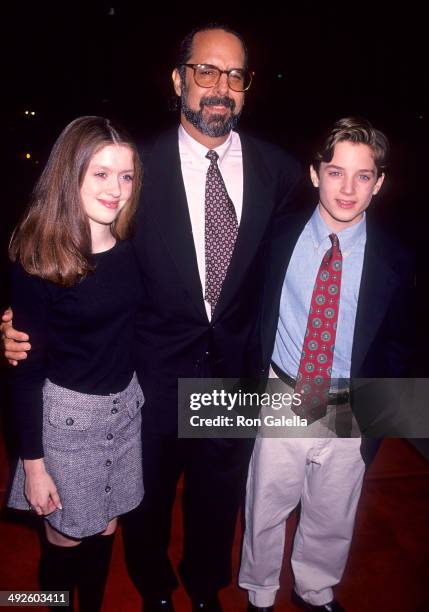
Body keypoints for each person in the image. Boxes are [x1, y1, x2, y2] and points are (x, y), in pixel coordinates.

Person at [2, 24, 302, 612]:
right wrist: (20, 321)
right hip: (145, 380)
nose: (220, 86)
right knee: (145, 505)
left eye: (234, 75)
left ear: (247, 87)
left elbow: (327, 226)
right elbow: (70, 252)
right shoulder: (134, 168)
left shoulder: (281, 171)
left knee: (218, 500)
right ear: (179, 79)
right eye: (206, 71)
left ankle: (203, 587)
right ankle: (155, 589)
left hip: (233, 378)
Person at [239, 117, 415, 611]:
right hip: (284, 387)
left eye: (364, 176)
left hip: (350, 400)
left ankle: (315, 589)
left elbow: (399, 343)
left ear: (379, 183)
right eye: (336, 172)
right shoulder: (275, 237)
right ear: (315, 173)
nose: (348, 188)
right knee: (265, 503)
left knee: (333, 511)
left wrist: (380, 413)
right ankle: (259, 592)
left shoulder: (397, 258)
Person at [6, 116, 144, 611]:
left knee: (106, 527)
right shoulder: (38, 259)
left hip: (125, 414)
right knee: (66, 540)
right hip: (65, 426)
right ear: (71, 176)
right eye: (101, 174)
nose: (116, 189)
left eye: (125, 176)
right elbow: (24, 374)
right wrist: (34, 464)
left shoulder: (133, 247)